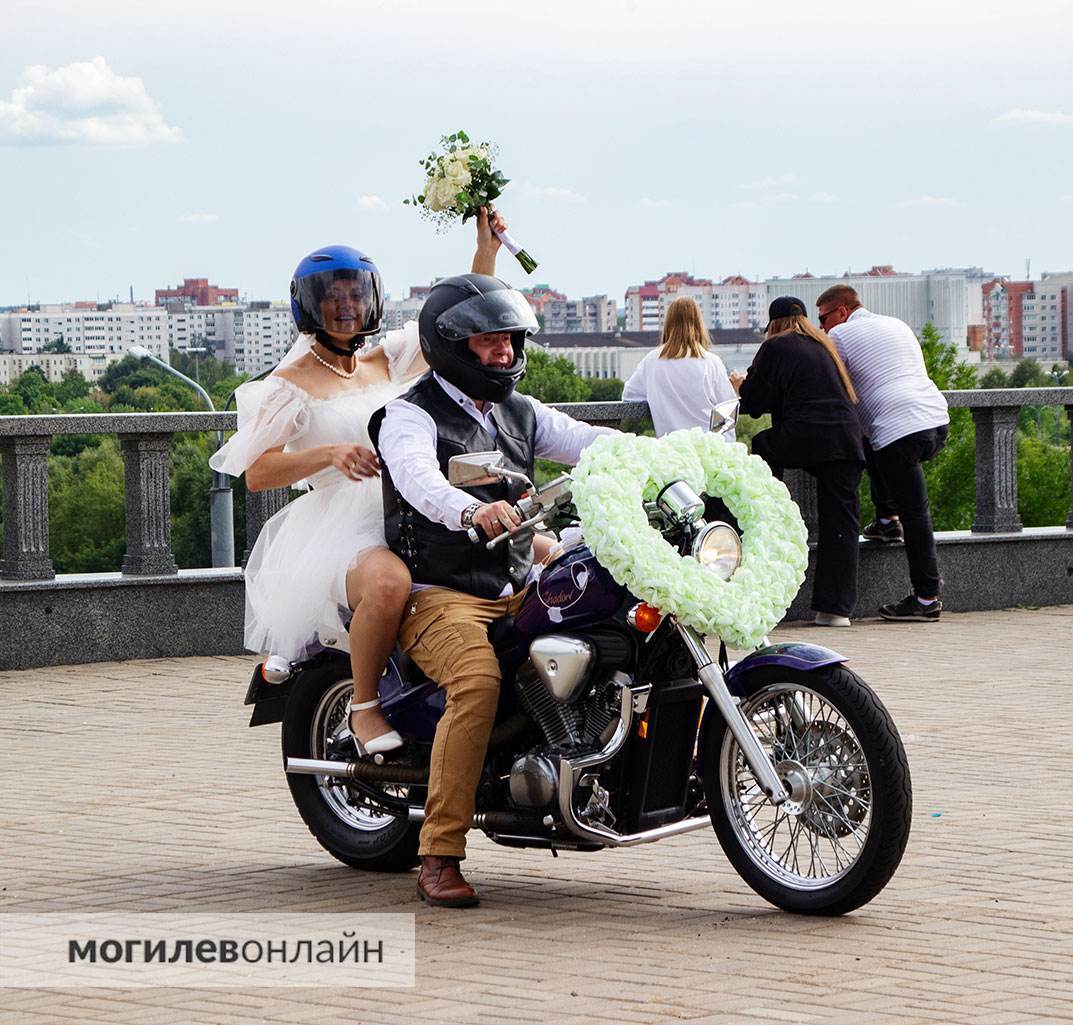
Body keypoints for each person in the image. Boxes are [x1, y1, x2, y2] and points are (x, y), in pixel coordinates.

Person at [210, 211, 509, 756]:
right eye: (333, 294)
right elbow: (258, 472)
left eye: (355, 292)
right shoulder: (285, 386)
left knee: (538, 548)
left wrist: (484, 247)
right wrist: (327, 454)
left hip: (415, 503)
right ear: (309, 303)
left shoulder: (386, 360)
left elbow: (460, 320)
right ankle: (364, 707)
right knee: (388, 584)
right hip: (343, 524)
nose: (346, 304)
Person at [370, 273, 615, 908]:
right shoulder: (409, 414)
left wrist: (670, 455)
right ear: (452, 344)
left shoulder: (521, 412)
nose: (503, 351)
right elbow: (420, 480)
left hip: (518, 581)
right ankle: (440, 853)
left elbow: (592, 443)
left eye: (509, 338)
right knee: (476, 681)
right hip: (439, 592)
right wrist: (467, 510)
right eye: (487, 341)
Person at [816, 285, 949, 622]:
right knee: (872, 442)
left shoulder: (842, 335)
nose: (822, 328)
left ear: (842, 311)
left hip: (900, 428)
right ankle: (887, 520)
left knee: (916, 514)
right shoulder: (896, 324)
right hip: (936, 419)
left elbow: (832, 385)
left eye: (824, 319)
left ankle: (926, 597)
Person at [729, 297, 864, 627]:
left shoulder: (776, 346)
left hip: (806, 436)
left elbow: (754, 401)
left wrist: (737, 386)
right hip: (847, 441)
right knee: (841, 524)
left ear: (773, 325)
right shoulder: (824, 346)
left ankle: (769, 508)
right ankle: (836, 610)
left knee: (763, 444)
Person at [622, 295, 737, 522]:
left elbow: (629, 396)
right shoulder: (710, 361)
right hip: (709, 457)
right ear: (698, 322)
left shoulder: (652, 361)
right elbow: (727, 409)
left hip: (671, 458)